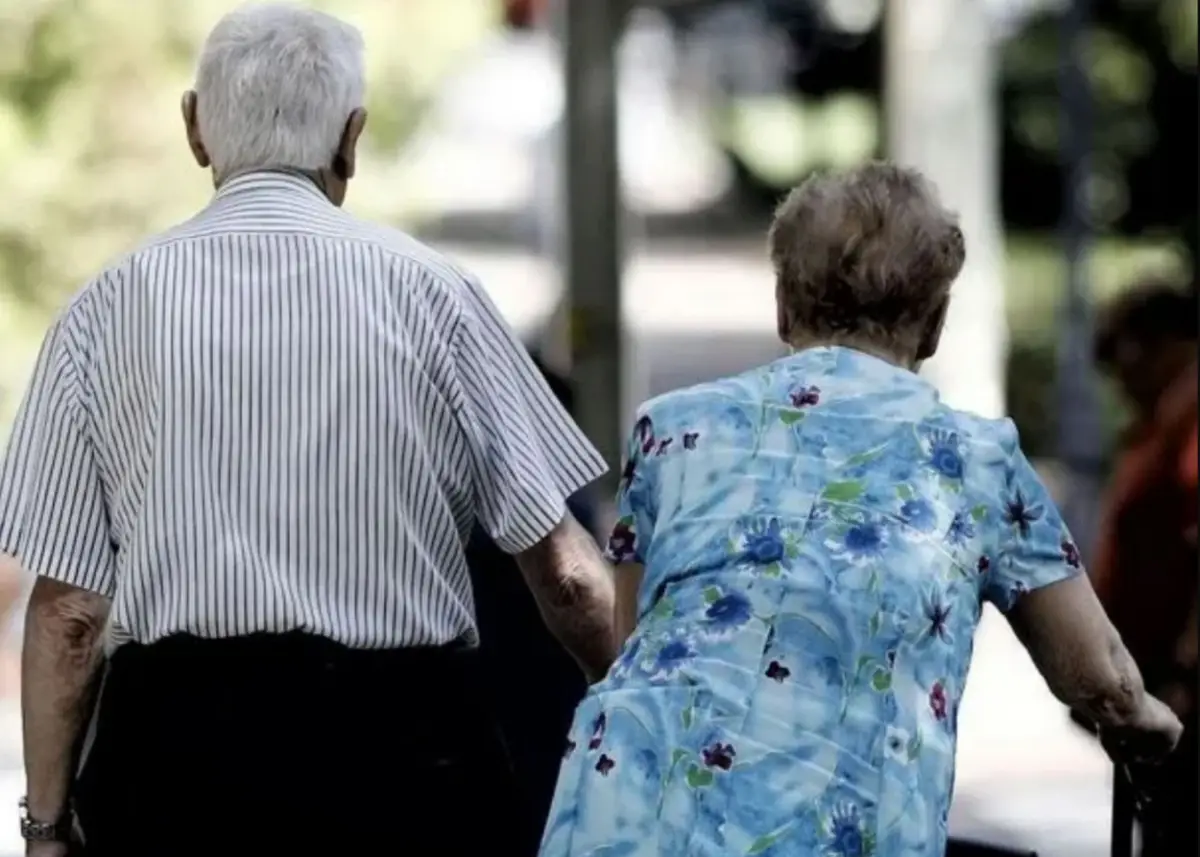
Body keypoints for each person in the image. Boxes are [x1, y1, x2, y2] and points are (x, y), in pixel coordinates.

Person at [0, 5, 616, 856]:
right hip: (406, 761)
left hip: (176, 771)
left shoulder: (103, 312)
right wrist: (627, 697)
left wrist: (46, 825)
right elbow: (568, 577)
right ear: (351, 139)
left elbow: (69, 613)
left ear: (195, 128)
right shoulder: (437, 298)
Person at [538, 163, 1183, 857]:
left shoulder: (670, 430)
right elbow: (1098, 676)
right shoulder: (976, 459)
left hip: (625, 820)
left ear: (783, 305)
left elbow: (630, 642)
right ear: (934, 325)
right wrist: (1147, 719)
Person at [467, 351, 597, 854]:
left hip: (482, 681)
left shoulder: (465, 490)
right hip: (549, 680)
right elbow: (576, 584)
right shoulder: (564, 503)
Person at [1089, 283, 1197, 857]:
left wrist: (1187, 671)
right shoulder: (1164, 419)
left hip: (1182, 695)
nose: (1120, 376)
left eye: (1124, 353)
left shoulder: (1191, 415)